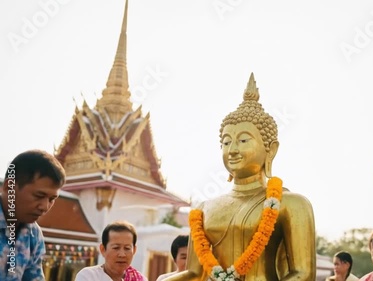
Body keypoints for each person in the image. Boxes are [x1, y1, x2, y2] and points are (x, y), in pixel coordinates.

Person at [160, 73, 316, 281]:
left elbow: (303, 274)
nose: (232, 149)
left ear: (271, 149)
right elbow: (195, 274)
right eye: (226, 142)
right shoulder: (204, 209)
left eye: (243, 140)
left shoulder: (291, 204)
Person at [0, 149, 66, 281]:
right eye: (39, 196)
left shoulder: (33, 235)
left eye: (52, 199)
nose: (45, 207)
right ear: (10, 186)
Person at [75, 220, 148, 281]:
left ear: (134, 250)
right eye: (116, 248)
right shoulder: (88, 276)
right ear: (103, 249)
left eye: (127, 248)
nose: (122, 254)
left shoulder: (140, 279)